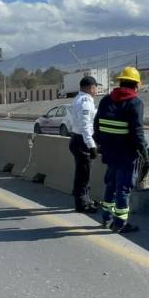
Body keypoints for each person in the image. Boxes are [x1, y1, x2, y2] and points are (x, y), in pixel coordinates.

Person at [93, 67, 149, 233]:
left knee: (110, 185)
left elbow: (96, 125)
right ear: (135, 85)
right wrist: (144, 153)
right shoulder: (135, 103)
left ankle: (106, 218)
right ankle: (120, 224)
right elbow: (137, 132)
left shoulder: (106, 100)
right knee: (123, 189)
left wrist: (101, 144)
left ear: (120, 82)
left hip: (109, 152)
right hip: (126, 154)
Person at [67, 75, 99, 212]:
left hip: (77, 139)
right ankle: (82, 204)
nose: (97, 90)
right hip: (82, 141)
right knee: (83, 175)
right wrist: (91, 145)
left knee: (82, 173)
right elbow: (85, 125)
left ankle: (84, 199)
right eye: (96, 87)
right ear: (91, 87)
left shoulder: (79, 99)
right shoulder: (85, 102)